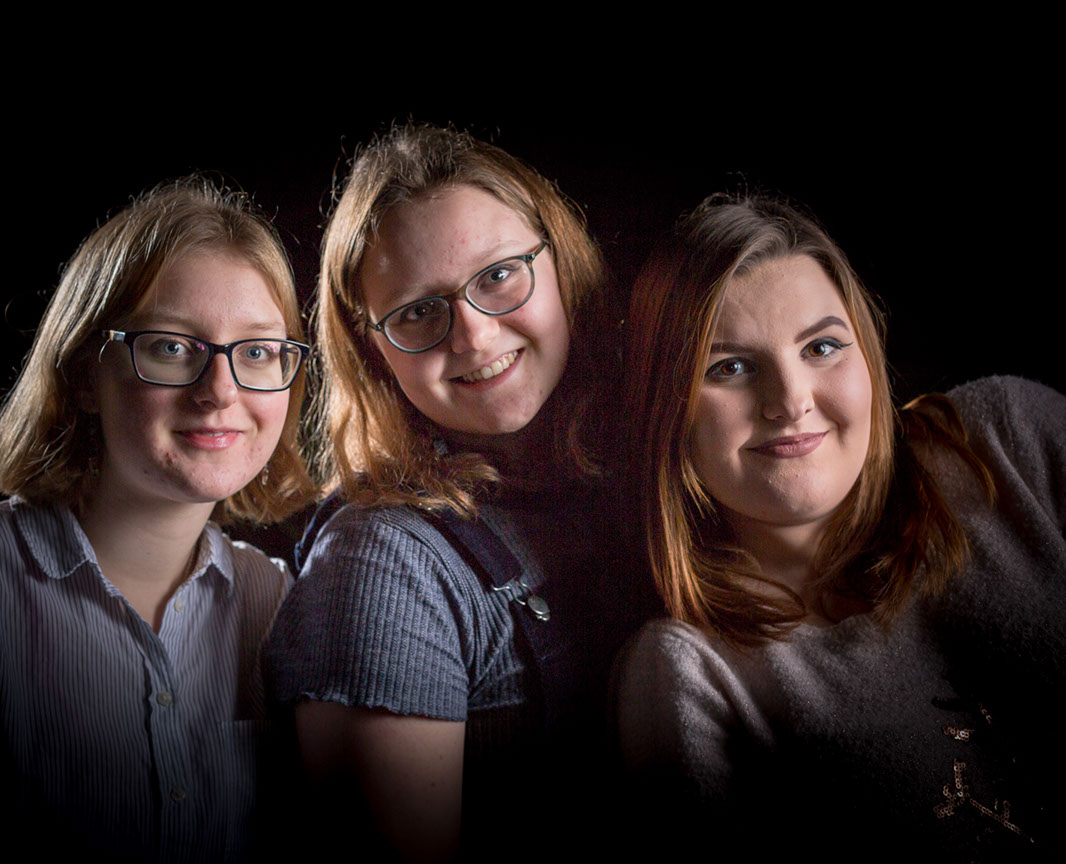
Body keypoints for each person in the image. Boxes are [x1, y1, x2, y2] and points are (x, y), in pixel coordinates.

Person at [615, 193, 1065, 860]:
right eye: (730, 367)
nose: (791, 401)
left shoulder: (1005, 440)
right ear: (668, 412)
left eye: (822, 346)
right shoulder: (688, 673)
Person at [264, 124, 652, 861]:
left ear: (561, 263)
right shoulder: (383, 564)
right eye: (418, 311)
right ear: (372, 347)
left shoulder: (641, 478)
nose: (472, 335)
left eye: (499, 275)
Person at [0, 177, 313, 862]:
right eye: (171, 347)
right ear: (85, 375)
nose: (220, 391)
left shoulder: (279, 603)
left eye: (258, 351)